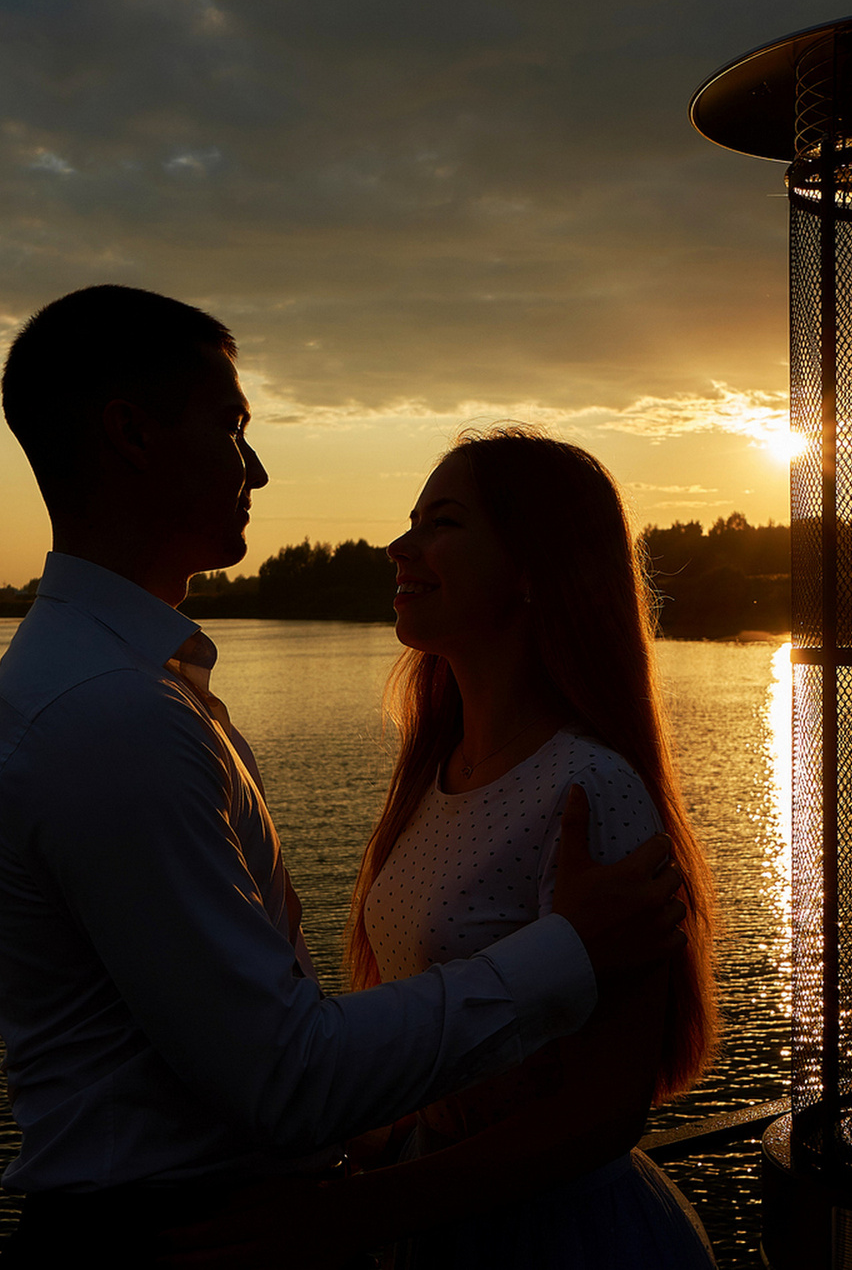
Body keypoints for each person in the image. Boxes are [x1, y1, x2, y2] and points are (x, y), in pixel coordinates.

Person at [0, 286, 689, 1269]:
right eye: (231, 426)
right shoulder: (111, 712)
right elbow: (284, 1073)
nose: (256, 466)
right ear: (131, 435)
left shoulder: (137, 690)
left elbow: (602, 1096)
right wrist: (568, 951)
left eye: (442, 523)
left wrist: (365, 1182)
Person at [171, 426, 721, 1268]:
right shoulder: (438, 768)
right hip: (434, 1212)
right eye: (412, 521)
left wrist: (350, 1214)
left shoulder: (590, 787)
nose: (400, 548)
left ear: (534, 569)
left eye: (444, 523)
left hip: (553, 1240)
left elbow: (605, 1111)